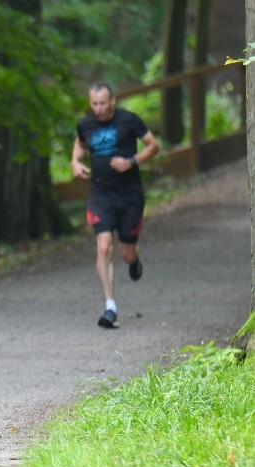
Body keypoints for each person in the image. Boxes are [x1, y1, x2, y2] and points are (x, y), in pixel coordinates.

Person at [71, 81, 160, 329]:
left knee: (125, 252)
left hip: (129, 195)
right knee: (103, 246)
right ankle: (110, 307)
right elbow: (79, 145)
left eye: (102, 103)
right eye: (94, 104)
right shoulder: (85, 124)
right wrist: (75, 163)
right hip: (100, 195)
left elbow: (154, 145)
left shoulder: (129, 120)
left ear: (112, 101)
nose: (98, 108)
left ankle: (134, 261)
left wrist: (132, 160)